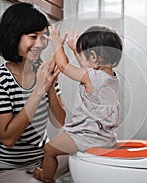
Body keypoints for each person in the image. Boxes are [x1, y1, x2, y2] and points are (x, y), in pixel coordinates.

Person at [0, 2, 68, 183]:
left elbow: (60, 121)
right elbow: (8, 138)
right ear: (14, 36)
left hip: (41, 161)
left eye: (43, 37)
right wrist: (39, 90)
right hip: (6, 168)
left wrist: (50, 86)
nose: (40, 44)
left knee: (84, 156)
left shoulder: (44, 71)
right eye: (32, 37)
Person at [33, 24, 123, 182]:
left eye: (81, 54)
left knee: (49, 149)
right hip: (106, 137)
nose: (79, 57)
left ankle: (46, 177)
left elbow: (63, 66)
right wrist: (76, 49)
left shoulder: (90, 77)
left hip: (85, 137)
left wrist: (57, 44)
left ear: (94, 57)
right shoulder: (111, 78)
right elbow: (88, 67)